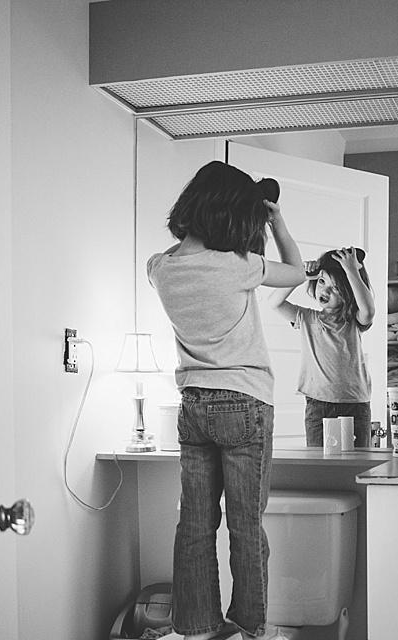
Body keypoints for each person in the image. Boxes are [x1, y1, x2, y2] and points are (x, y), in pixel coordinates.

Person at [148, 161, 305, 640]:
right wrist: (275, 221)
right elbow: (298, 270)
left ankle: (194, 628)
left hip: (193, 406)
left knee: (194, 525)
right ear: (230, 214)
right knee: (245, 528)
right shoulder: (241, 267)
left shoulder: (160, 268)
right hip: (244, 404)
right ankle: (250, 629)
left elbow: (179, 249)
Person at [266, 247, 375, 447]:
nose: (324, 291)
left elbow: (368, 311)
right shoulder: (307, 318)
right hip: (319, 405)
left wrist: (352, 271)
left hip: (356, 405)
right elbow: (274, 302)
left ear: (348, 292)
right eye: (322, 282)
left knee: (358, 464)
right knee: (320, 464)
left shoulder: (353, 321)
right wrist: (300, 274)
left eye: (335, 288)